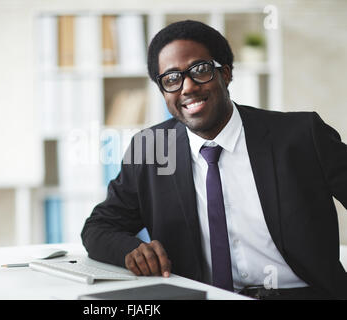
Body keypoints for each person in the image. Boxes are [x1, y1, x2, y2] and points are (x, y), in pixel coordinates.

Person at [81, 20, 347, 299]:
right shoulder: (152, 148)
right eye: (171, 78)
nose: (187, 87)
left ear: (226, 73)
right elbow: (98, 226)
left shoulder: (301, 136)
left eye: (200, 70)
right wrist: (131, 251)